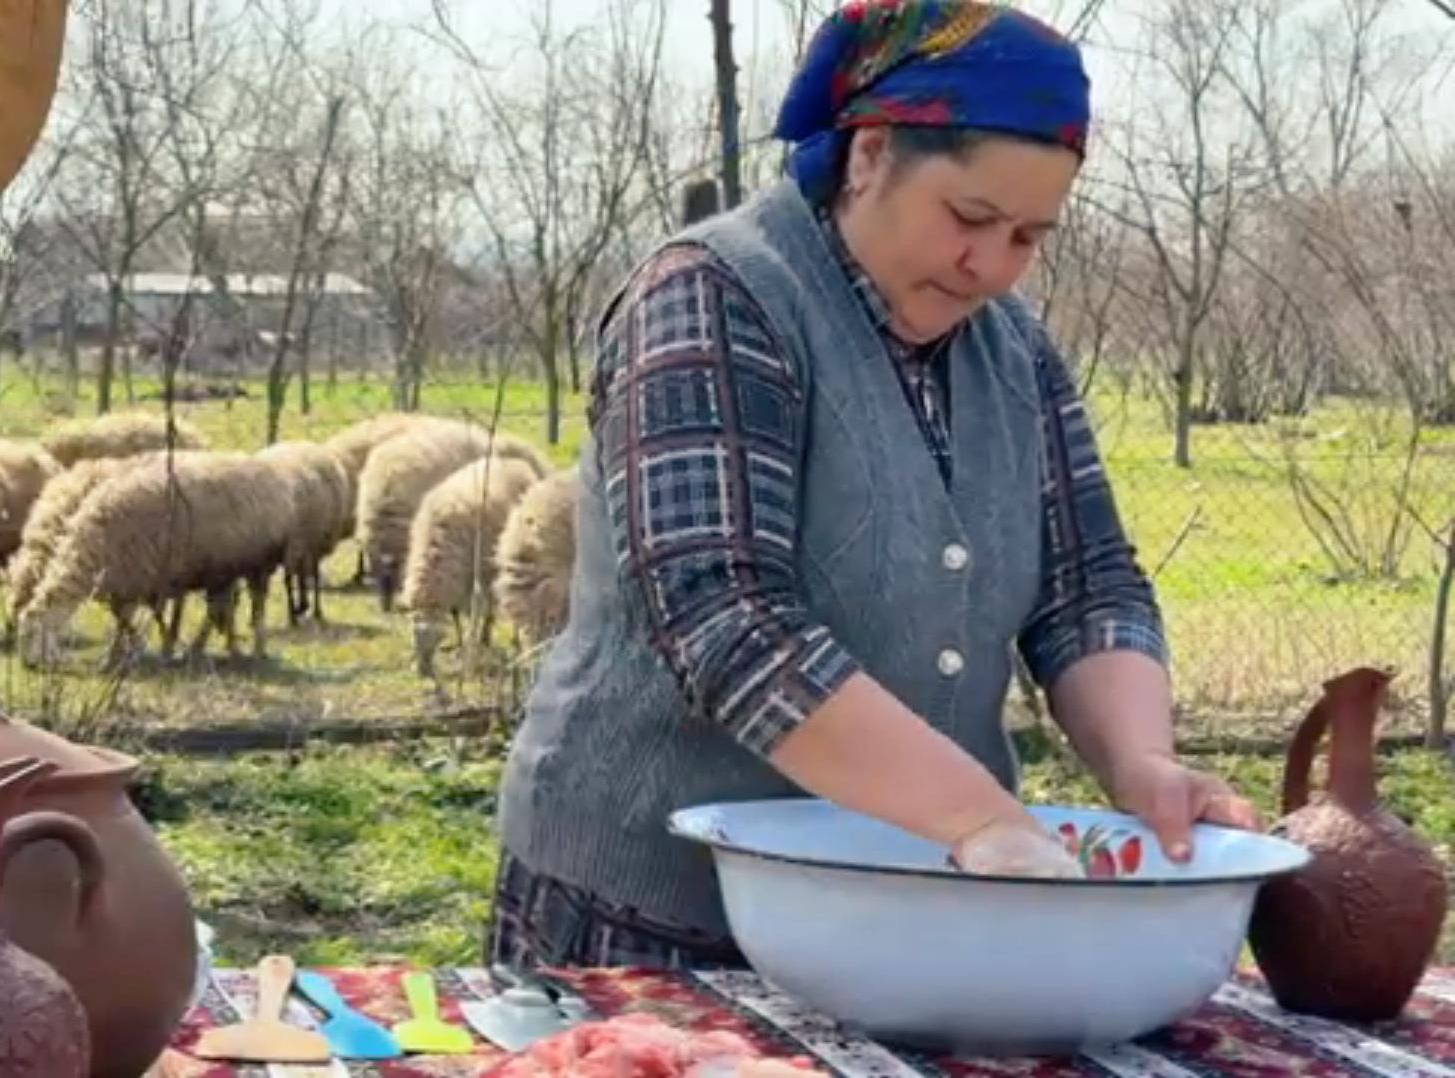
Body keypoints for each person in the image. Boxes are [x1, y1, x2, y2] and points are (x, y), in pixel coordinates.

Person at [485, 0, 1260, 971]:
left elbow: (1087, 584)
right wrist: (978, 812)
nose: (992, 266)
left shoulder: (1014, 354)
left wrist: (1140, 763)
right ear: (869, 156)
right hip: (648, 919)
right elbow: (725, 621)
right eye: (970, 218)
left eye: (1028, 236)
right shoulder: (712, 298)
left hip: (901, 921)